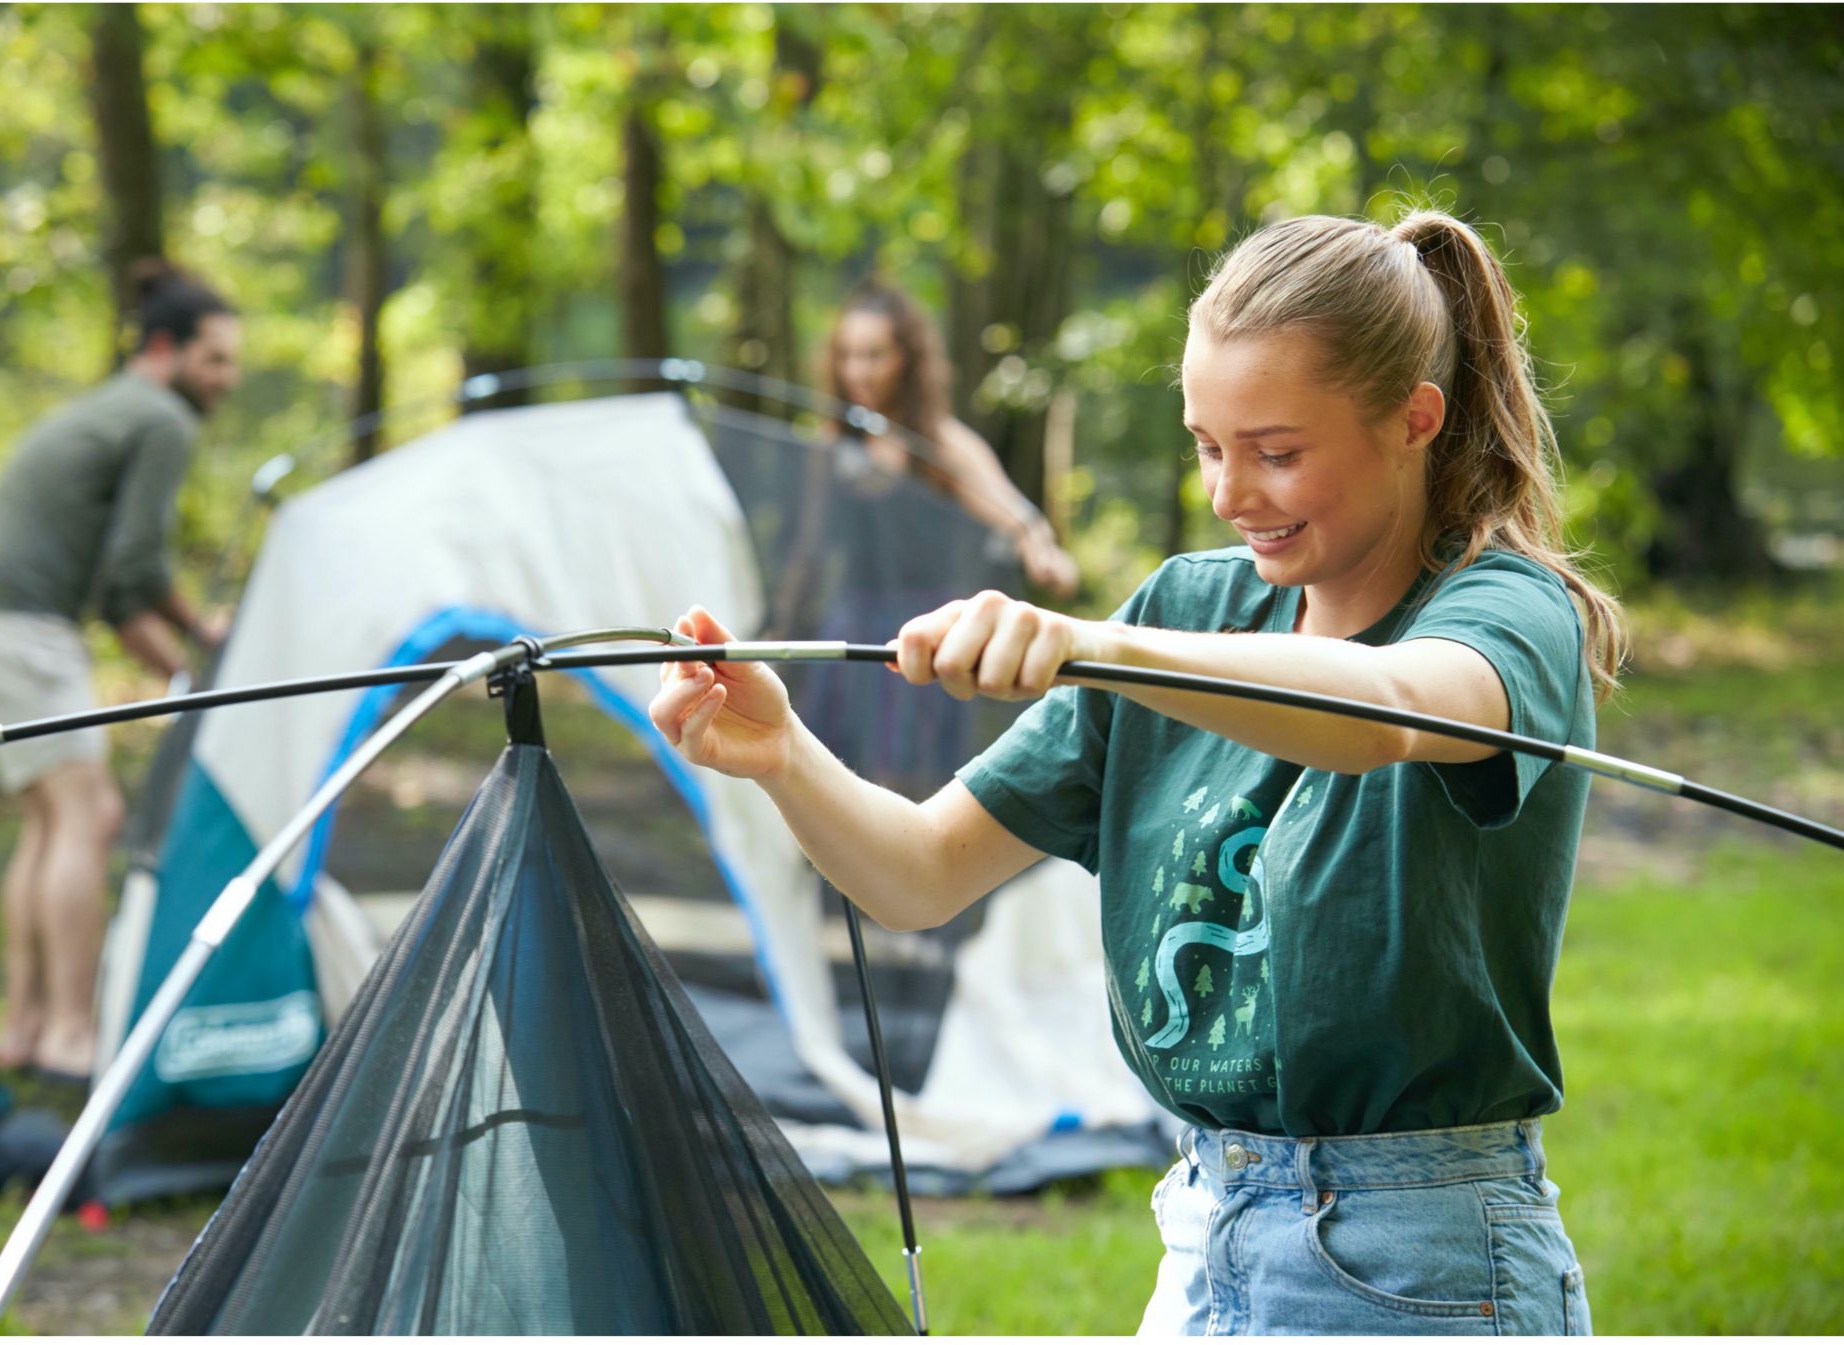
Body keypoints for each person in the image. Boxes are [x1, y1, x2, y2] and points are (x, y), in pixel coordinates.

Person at [651, 210, 1624, 1335]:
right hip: (1204, 1232)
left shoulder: (1504, 610)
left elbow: (1390, 710)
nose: (1227, 493)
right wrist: (781, 758)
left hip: (1421, 1252)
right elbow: (917, 875)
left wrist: (1097, 648)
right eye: (1206, 445)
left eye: (1275, 450)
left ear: (1413, 420)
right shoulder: (1183, 611)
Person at [0, 260, 240, 1084]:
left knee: (49, 819)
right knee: (91, 813)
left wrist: (185, 636)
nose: (227, 378)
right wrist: (190, 655)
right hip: (25, 626)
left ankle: (23, 1026)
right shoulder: (160, 420)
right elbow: (131, 572)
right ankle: (71, 1034)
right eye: (214, 359)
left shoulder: (111, 406)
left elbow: (122, 581)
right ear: (164, 348)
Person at [823, 279, 1079, 597]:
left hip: (926, 617)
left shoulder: (938, 441)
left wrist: (1043, 553)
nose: (857, 372)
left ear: (907, 358)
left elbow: (1012, 512)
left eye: (874, 356)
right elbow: (804, 548)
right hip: (850, 615)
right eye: (846, 356)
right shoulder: (832, 441)